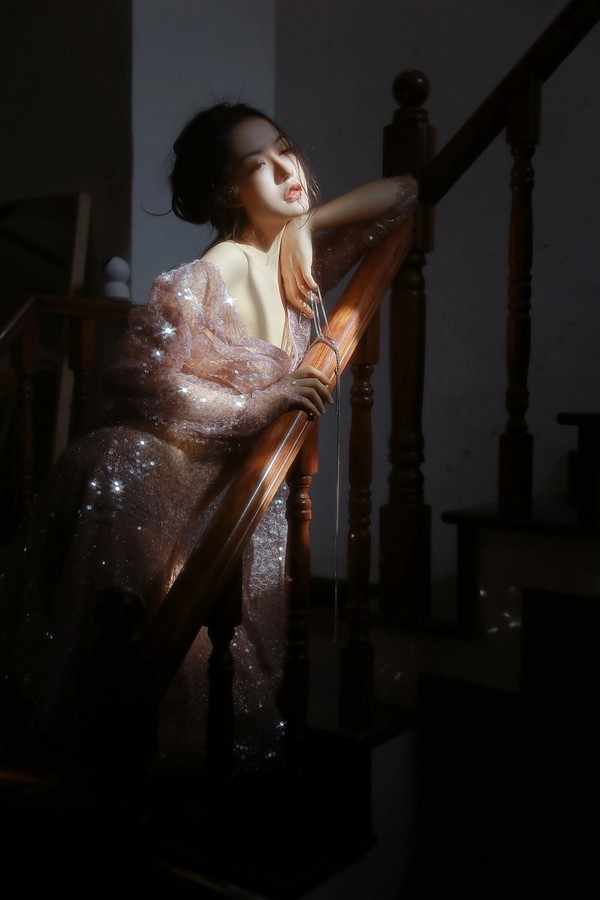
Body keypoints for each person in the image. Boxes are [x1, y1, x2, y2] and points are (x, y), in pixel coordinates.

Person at [0, 102, 417, 773]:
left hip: (199, 478)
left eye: (285, 149)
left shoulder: (296, 261)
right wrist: (263, 401)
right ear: (228, 191)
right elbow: (134, 374)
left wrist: (309, 223)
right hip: (141, 472)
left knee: (176, 657)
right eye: (257, 165)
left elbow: (404, 194)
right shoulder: (219, 265)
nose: (286, 169)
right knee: (136, 653)